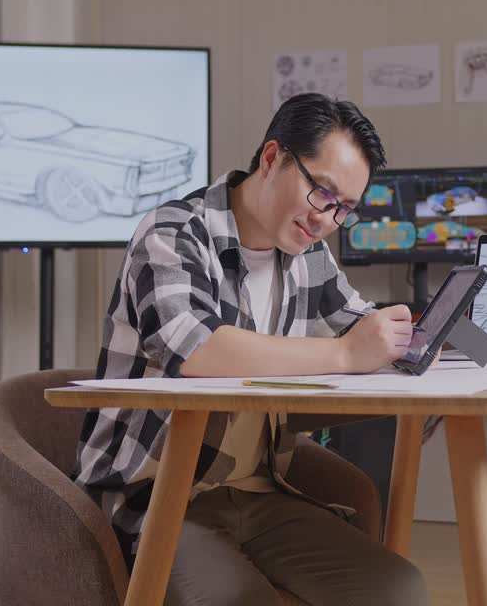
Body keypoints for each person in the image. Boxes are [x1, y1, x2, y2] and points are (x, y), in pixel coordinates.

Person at [73, 93, 428, 606]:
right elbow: (195, 349)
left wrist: (415, 340)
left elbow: (362, 324)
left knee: (400, 590)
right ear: (271, 158)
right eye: (321, 193)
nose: (327, 219)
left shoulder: (307, 255)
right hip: (159, 497)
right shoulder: (172, 233)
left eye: (344, 209)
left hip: (261, 493)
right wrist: (346, 356)